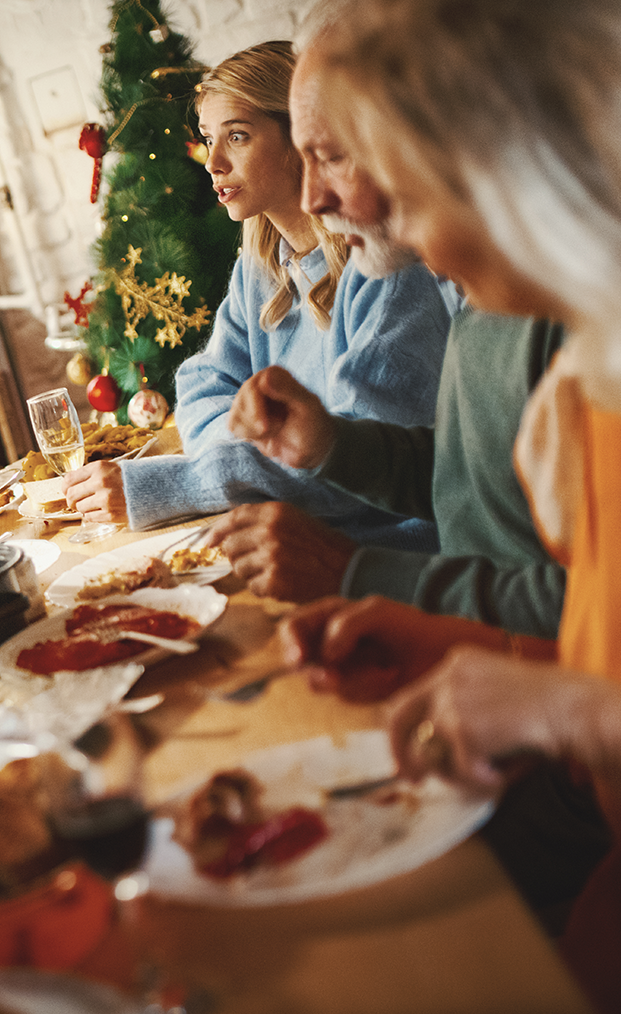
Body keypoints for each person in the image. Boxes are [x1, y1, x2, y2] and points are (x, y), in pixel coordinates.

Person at [284, 0, 621, 1005]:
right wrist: (481, 661)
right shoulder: (580, 391)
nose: (405, 230)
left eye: (415, 193)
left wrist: (558, 705)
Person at [212, 3, 566, 637]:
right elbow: (473, 483)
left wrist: (354, 573)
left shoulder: (572, 321)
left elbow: (585, 615)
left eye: (334, 155)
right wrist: (331, 446)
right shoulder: (470, 294)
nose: (311, 198)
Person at [61, 40, 457, 551]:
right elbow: (203, 385)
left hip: (385, 559)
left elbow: (353, 471)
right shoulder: (262, 265)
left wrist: (183, 482)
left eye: (239, 136)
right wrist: (266, 451)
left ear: (300, 138)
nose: (213, 162)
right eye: (208, 139)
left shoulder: (386, 266)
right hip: (291, 540)